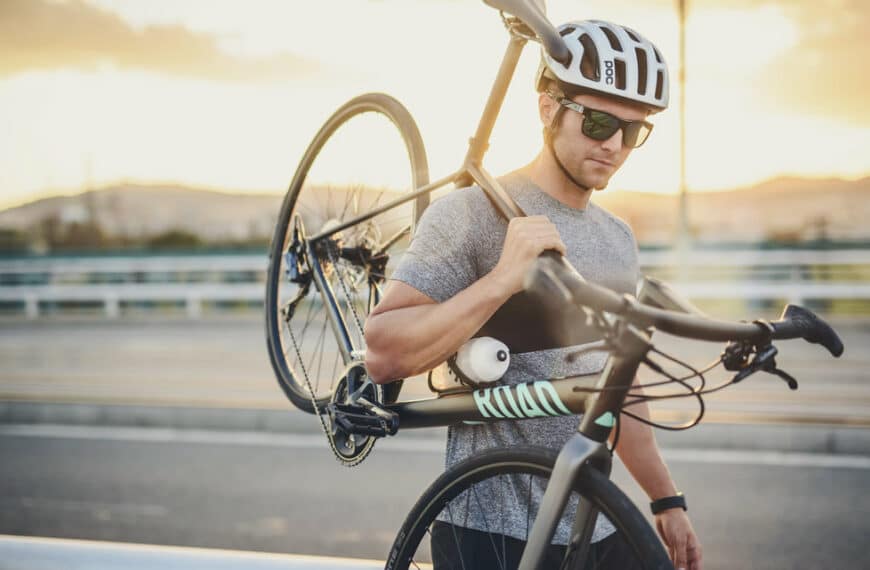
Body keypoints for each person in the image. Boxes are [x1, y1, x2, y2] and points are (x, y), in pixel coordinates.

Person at [364, 19, 703, 570]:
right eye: (596, 121)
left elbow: (618, 383)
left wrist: (666, 498)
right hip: (490, 530)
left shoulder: (617, 238)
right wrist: (501, 280)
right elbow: (383, 353)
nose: (613, 145)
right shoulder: (471, 214)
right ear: (548, 109)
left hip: (594, 519)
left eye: (632, 131)